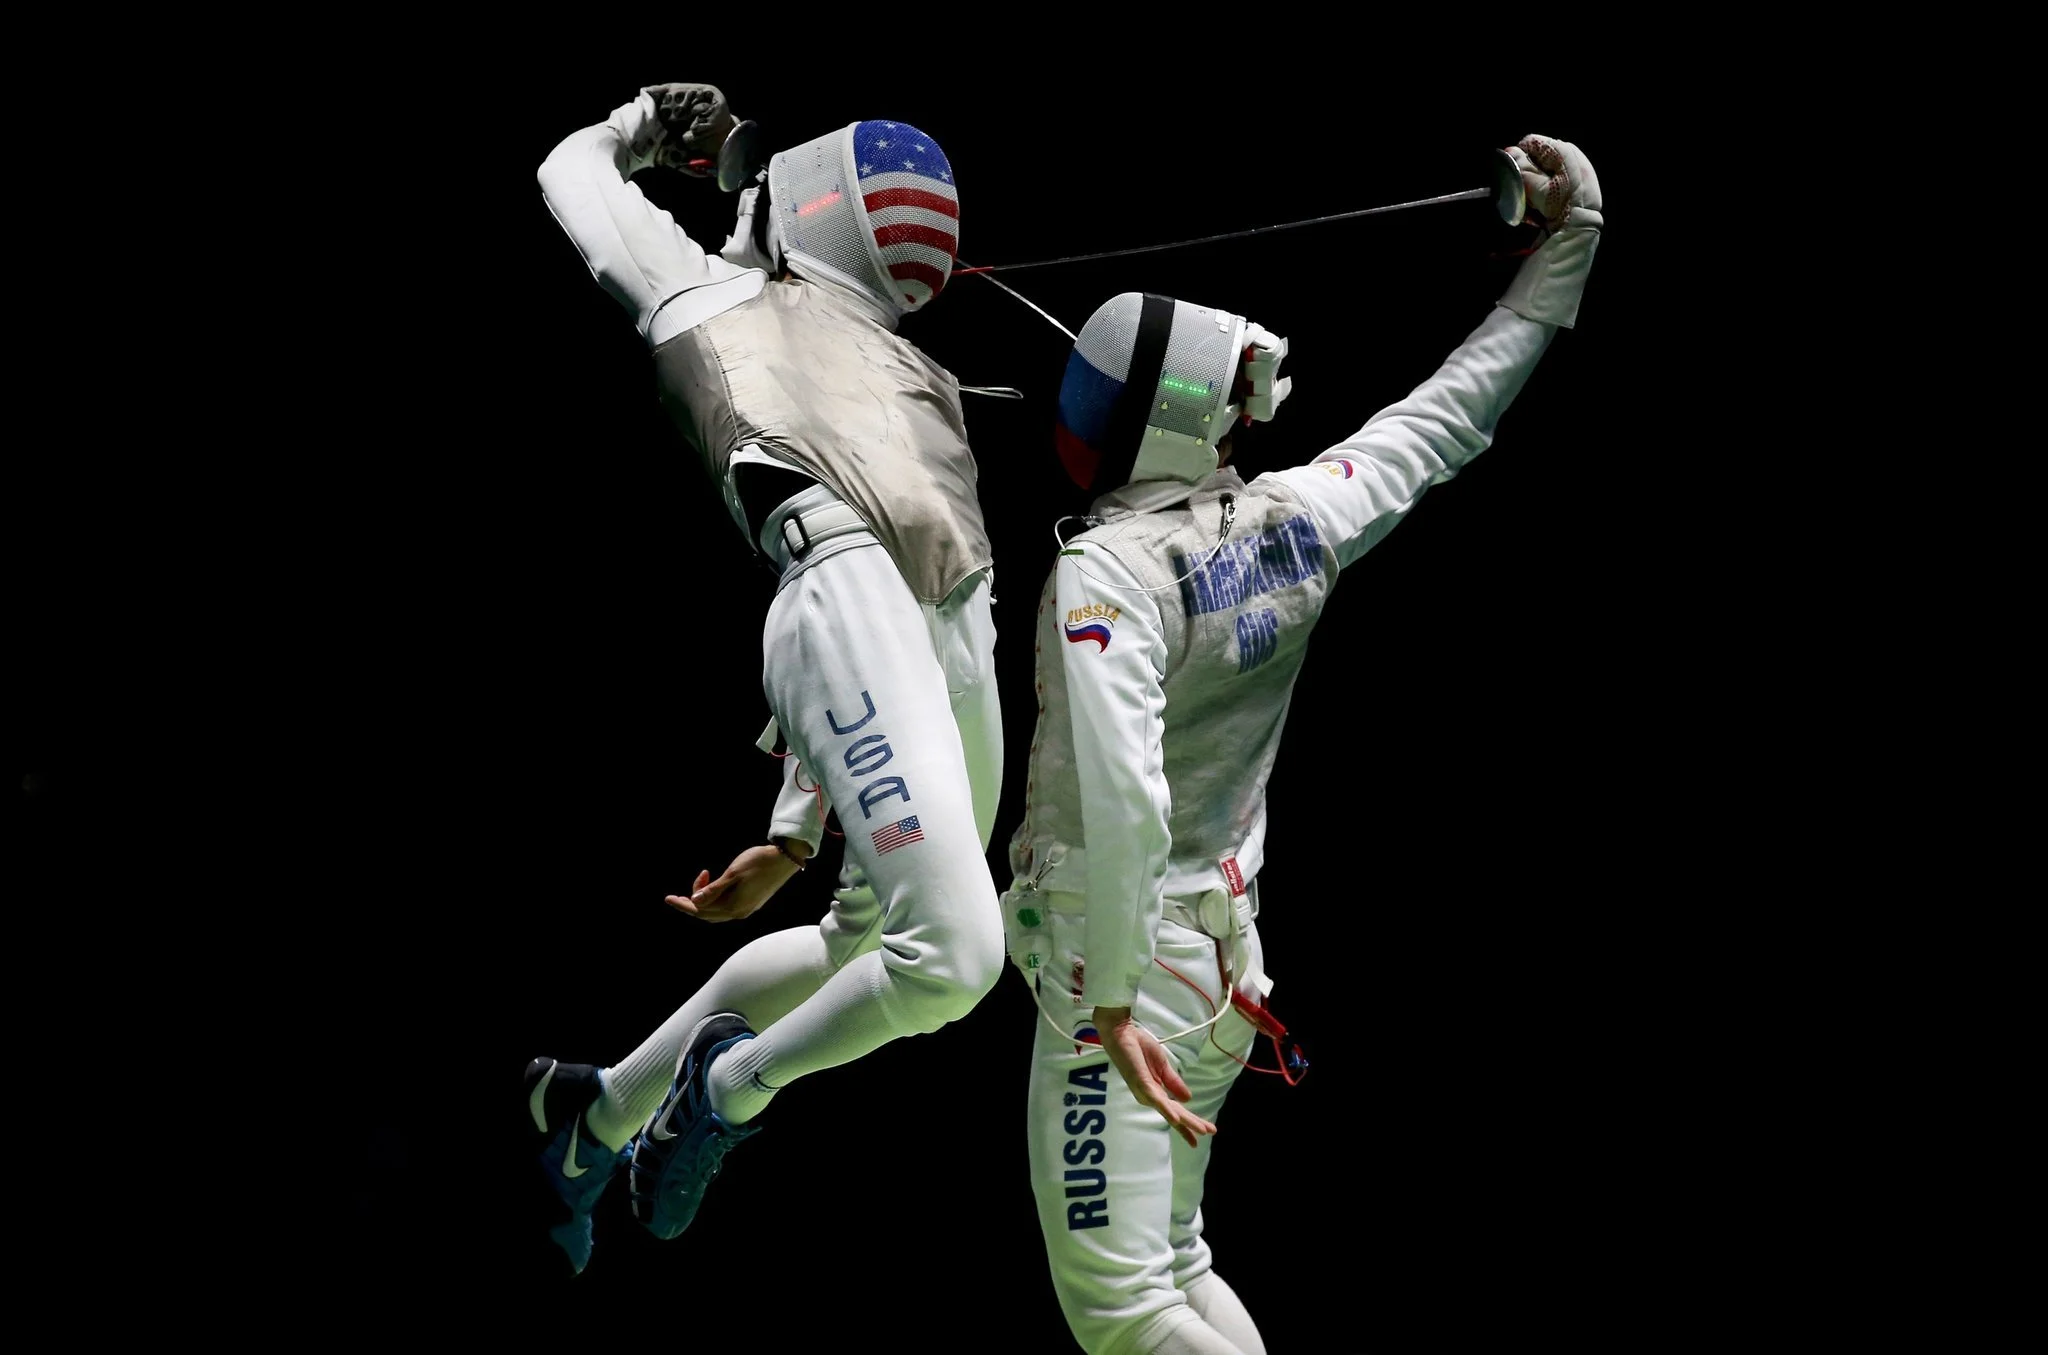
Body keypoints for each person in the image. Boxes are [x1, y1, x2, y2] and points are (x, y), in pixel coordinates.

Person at [999, 134, 1603, 1355]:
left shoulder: (1101, 576)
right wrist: (1566, 250)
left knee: (1118, 1305)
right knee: (1173, 1258)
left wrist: (1108, 997)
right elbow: (1445, 418)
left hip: (1124, 967)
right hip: (1221, 956)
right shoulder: (1302, 518)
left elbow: (1125, 795)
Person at [522, 82, 1006, 1275]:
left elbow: (920, 602)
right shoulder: (705, 294)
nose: (740, 208)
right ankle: (726, 1090)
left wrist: (795, 835)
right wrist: (648, 120)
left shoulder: (907, 369)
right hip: (841, 595)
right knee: (952, 955)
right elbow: (570, 173)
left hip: (947, 632)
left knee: (864, 948)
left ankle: (585, 1115)